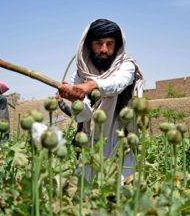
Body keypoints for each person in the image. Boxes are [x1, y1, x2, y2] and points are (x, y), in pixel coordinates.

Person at [58, 19, 144, 181]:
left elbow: (117, 84)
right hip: (91, 142)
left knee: (121, 192)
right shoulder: (80, 73)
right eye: (98, 43)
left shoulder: (126, 65)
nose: (104, 49)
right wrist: (75, 101)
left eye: (109, 44)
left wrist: (91, 85)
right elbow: (84, 113)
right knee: (87, 192)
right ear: (89, 44)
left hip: (120, 139)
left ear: (116, 45)